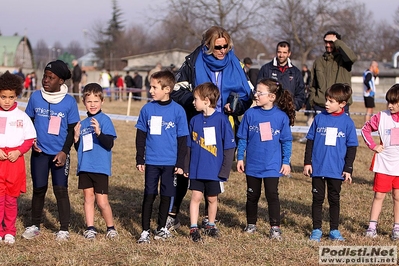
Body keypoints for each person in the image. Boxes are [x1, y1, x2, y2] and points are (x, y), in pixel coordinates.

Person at [168, 25, 253, 230]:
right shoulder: (192, 62)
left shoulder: (235, 63)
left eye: (226, 46)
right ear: (207, 46)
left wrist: (236, 106)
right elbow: (177, 91)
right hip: (196, 122)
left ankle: (209, 216)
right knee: (186, 167)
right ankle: (173, 213)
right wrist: (200, 103)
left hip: (223, 124)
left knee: (213, 168)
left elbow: (247, 95)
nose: (223, 50)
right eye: (218, 47)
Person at [22, 60, 80, 241]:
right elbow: (28, 122)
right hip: (39, 153)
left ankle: (63, 229)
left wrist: (64, 151)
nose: (45, 80)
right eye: (44, 76)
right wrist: (32, 141)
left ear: (61, 81)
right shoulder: (35, 97)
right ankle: (34, 225)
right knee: (39, 189)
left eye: (51, 77)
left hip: (59, 154)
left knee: (60, 190)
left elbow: (71, 130)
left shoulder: (69, 102)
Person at [236, 78, 295, 240]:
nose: (256, 95)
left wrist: (285, 161)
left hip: (272, 165)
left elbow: (286, 141)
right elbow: (243, 138)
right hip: (253, 165)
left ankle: (275, 228)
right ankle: (251, 224)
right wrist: (240, 157)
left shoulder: (281, 117)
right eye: (255, 91)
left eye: (260, 93)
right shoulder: (250, 114)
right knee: (252, 196)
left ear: (271, 97)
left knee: (272, 195)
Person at [135, 70, 188, 243]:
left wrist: (180, 163)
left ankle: (162, 228)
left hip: (170, 163)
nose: (150, 90)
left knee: (167, 195)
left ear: (167, 89)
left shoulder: (178, 111)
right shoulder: (147, 109)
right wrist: (140, 158)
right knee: (149, 194)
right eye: (150, 87)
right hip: (151, 161)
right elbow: (140, 136)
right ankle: (144, 231)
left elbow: (182, 140)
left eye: (154, 87)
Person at [303, 83, 358, 242]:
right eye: (326, 100)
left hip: (336, 170)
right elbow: (310, 141)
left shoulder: (347, 123)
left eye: (331, 101)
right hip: (318, 168)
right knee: (317, 199)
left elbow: (352, 147)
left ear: (342, 104)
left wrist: (348, 168)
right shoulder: (319, 118)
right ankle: (317, 229)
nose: (326, 103)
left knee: (334, 199)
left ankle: (334, 229)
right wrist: (308, 162)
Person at [185, 82, 236, 242]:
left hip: (214, 170)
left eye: (195, 99)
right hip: (196, 169)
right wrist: (186, 166)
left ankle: (210, 224)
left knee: (212, 198)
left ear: (206, 100)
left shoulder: (222, 120)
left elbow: (229, 147)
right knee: (195, 197)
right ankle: (193, 227)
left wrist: (224, 170)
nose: (193, 102)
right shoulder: (194, 120)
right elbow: (188, 146)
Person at [73, 83, 118, 240]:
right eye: (89, 101)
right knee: (88, 198)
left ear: (102, 101)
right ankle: (90, 228)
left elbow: (109, 143)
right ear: (84, 102)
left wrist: (99, 132)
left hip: (100, 168)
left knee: (102, 201)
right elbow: (80, 148)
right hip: (85, 167)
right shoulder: (83, 123)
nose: (92, 104)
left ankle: (110, 227)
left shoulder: (105, 120)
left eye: (96, 101)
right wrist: (76, 138)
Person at [0, 71, 36, 244]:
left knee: (10, 199)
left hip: (15, 163)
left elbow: (30, 139)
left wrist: (19, 151)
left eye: (11, 97)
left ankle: (9, 231)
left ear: (16, 96)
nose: (7, 101)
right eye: (3, 97)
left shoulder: (22, 117)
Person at [361, 84, 399, 240]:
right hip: (384, 164)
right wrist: (373, 145)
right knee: (379, 196)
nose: (390, 105)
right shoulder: (381, 116)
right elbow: (365, 129)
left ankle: (396, 227)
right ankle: (372, 226)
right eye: (388, 102)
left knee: (397, 196)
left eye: (394, 102)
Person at [309, 31, 357, 114]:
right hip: (321, 106)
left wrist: (337, 42)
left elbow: (352, 58)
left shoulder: (344, 60)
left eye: (331, 42)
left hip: (340, 106)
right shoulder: (318, 61)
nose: (328, 45)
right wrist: (312, 100)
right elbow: (313, 84)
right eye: (326, 42)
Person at [257, 41, 305, 111]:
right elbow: (259, 90)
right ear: (276, 52)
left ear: (289, 54)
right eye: (279, 52)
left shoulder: (296, 72)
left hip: (287, 112)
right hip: (268, 111)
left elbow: (300, 94)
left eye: (284, 52)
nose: (281, 55)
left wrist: (292, 107)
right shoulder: (266, 69)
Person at [298, 64, 313, 143]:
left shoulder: (309, 75)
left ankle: (308, 137)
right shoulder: (302, 73)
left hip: (315, 104)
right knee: (309, 121)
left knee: (310, 121)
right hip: (310, 102)